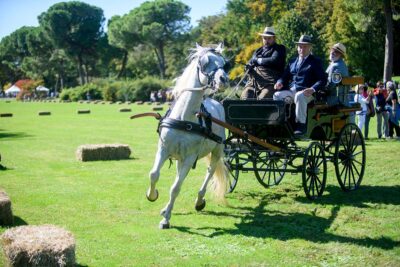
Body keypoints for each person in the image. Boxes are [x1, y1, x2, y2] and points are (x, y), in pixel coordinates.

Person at [273, 34, 327, 135]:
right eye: (300, 46)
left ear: (310, 48)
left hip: (308, 93)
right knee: (277, 95)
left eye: (305, 46)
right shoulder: (292, 61)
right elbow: (284, 76)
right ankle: (281, 123)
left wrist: (312, 89)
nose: (302, 49)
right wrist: (279, 82)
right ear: (297, 48)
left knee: (299, 95)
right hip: (292, 91)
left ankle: (300, 125)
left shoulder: (315, 62)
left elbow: (322, 80)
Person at [241, 26, 286, 99]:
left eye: (269, 38)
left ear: (274, 38)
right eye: (264, 38)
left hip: (270, 82)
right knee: (246, 96)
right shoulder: (258, 50)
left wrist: (258, 60)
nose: (266, 40)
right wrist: (248, 67)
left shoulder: (279, 48)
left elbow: (273, 60)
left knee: (263, 98)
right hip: (254, 82)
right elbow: (251, 62)